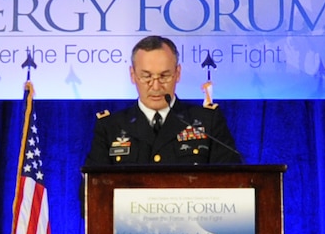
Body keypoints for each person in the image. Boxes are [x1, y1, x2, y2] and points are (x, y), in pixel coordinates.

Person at [83, 35, 241, 167]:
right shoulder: (111, 127)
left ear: (177, 73)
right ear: (132, 75)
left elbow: (231, 180)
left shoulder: (208, 122)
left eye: (164, 76)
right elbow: (92, 191)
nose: (156, 86)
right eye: (147, 77)